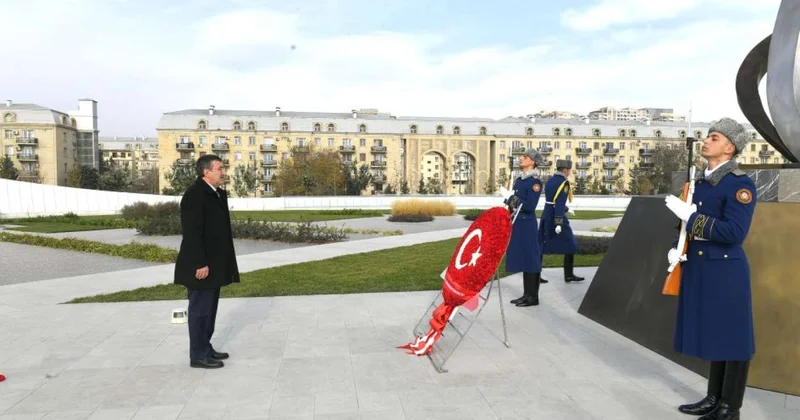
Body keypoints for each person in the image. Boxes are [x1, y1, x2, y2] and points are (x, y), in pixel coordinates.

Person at [664, 117, 756, 420]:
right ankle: (714, 397)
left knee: (735, 339)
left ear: (730, 147)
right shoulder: (701, 182)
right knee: (718, 335)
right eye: (708, 136)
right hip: (702, 268)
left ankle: (731, 408)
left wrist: (691, 219)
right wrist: (680, 244)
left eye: (714, 137)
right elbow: (689, 225)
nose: (706, 141)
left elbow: (734, 233)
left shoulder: (740, 184)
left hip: (726, 271)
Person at [174, 154, 240, 369]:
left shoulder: (217, 193)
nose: (223, 172)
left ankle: (206, 347)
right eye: (219, 168)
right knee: (200, 311)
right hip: (201, 266)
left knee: (209, 311)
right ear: (206, 172)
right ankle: (198, 355)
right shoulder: (195, 195)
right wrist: (199, 263)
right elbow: (192, 233)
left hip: (215, 265)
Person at [506, 148, 545, 307]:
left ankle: (533, 297)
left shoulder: (535, 182)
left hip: (527, 223)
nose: (521, 159)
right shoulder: (520, 180)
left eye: (525, 157)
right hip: (518, 223)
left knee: (531, 259)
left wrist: (512, 200)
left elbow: (529, 205)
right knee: (524, 258)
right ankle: (526, 294)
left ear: (532, 162)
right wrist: (509, 202)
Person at [538, 160, 585, 283]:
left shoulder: (550, 180)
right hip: (556, 216)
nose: (569, 172)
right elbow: (558, 203)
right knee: (571, 244)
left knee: (541, 245)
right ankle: (568, 274)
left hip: (547, 214)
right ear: (565, 170)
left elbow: (551, 201)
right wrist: (558, 222)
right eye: (568, 170)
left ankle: (535, 275)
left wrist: (566, 209)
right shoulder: (563, 183)